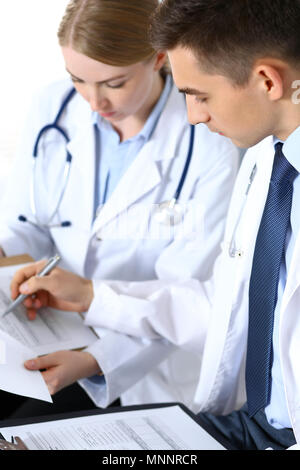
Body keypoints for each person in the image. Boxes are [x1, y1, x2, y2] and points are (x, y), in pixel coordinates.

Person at [0, 0, 239, 417]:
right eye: (78, 79)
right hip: (50, 329)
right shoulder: (51, 106)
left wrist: (98, 360)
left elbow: (188, 297)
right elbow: (29, 224)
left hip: (148, 364)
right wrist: (6, 255)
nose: (94, 101)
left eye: (114, 83)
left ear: (158, 57)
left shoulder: (211, 143)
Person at [148, 0, 300, 451]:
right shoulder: (264, 158)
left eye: (200, 95)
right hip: (248, 425)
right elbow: (232, 301)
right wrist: (94, 301)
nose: (194, 115)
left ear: (267, 80)